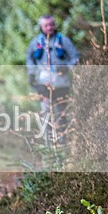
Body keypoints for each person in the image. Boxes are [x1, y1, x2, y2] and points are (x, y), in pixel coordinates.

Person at [26, 14, 80, 143]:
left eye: (51, 24)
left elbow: (75, 57)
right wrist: (31, 74)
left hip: (61, 84)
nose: (49, 27)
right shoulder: (36, 42)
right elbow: (29, 59)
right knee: (46, 115)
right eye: (46, 25)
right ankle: (48, 145)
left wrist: (66, 67)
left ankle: (62, 144)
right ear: (41, 27)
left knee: (61, 115)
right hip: (43, 85)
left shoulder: (63, 40)